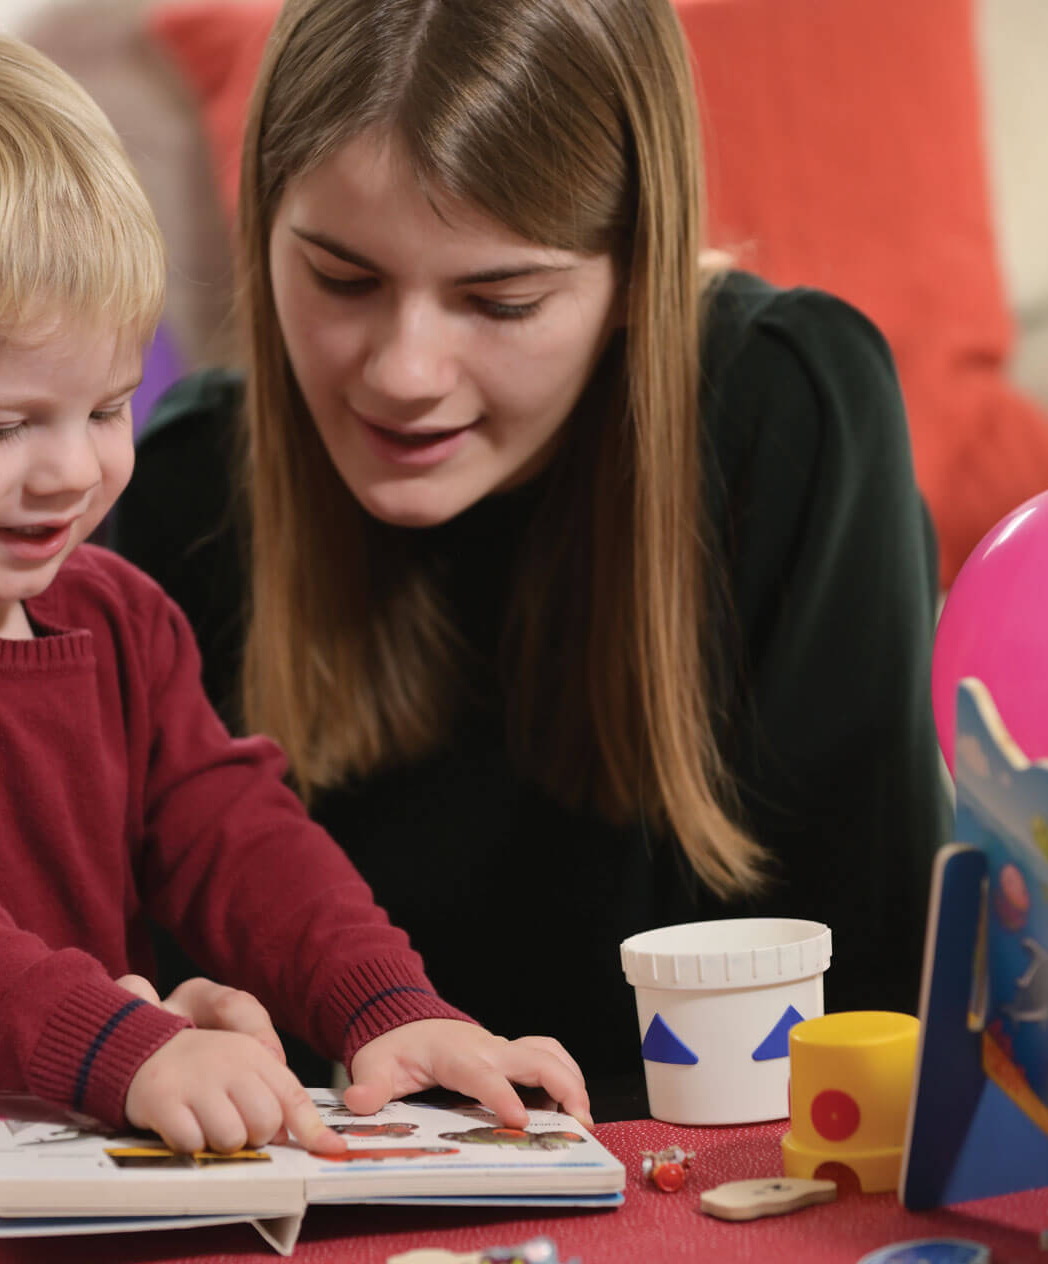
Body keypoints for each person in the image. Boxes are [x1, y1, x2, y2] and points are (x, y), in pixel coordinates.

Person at [0, 20, 587, 1173]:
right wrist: (123, 1046)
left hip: (54, 1179)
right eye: (2, 426)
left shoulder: (119, 616)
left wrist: (387, 1006)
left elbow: (239, 838)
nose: (75, 470)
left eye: (102, 408)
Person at [114, 0, 952, 1112]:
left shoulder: (786, 413)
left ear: (630, 276)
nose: (405, 370)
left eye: (499, 299)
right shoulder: (179, 489)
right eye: (341, 278)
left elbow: (875, 1003)